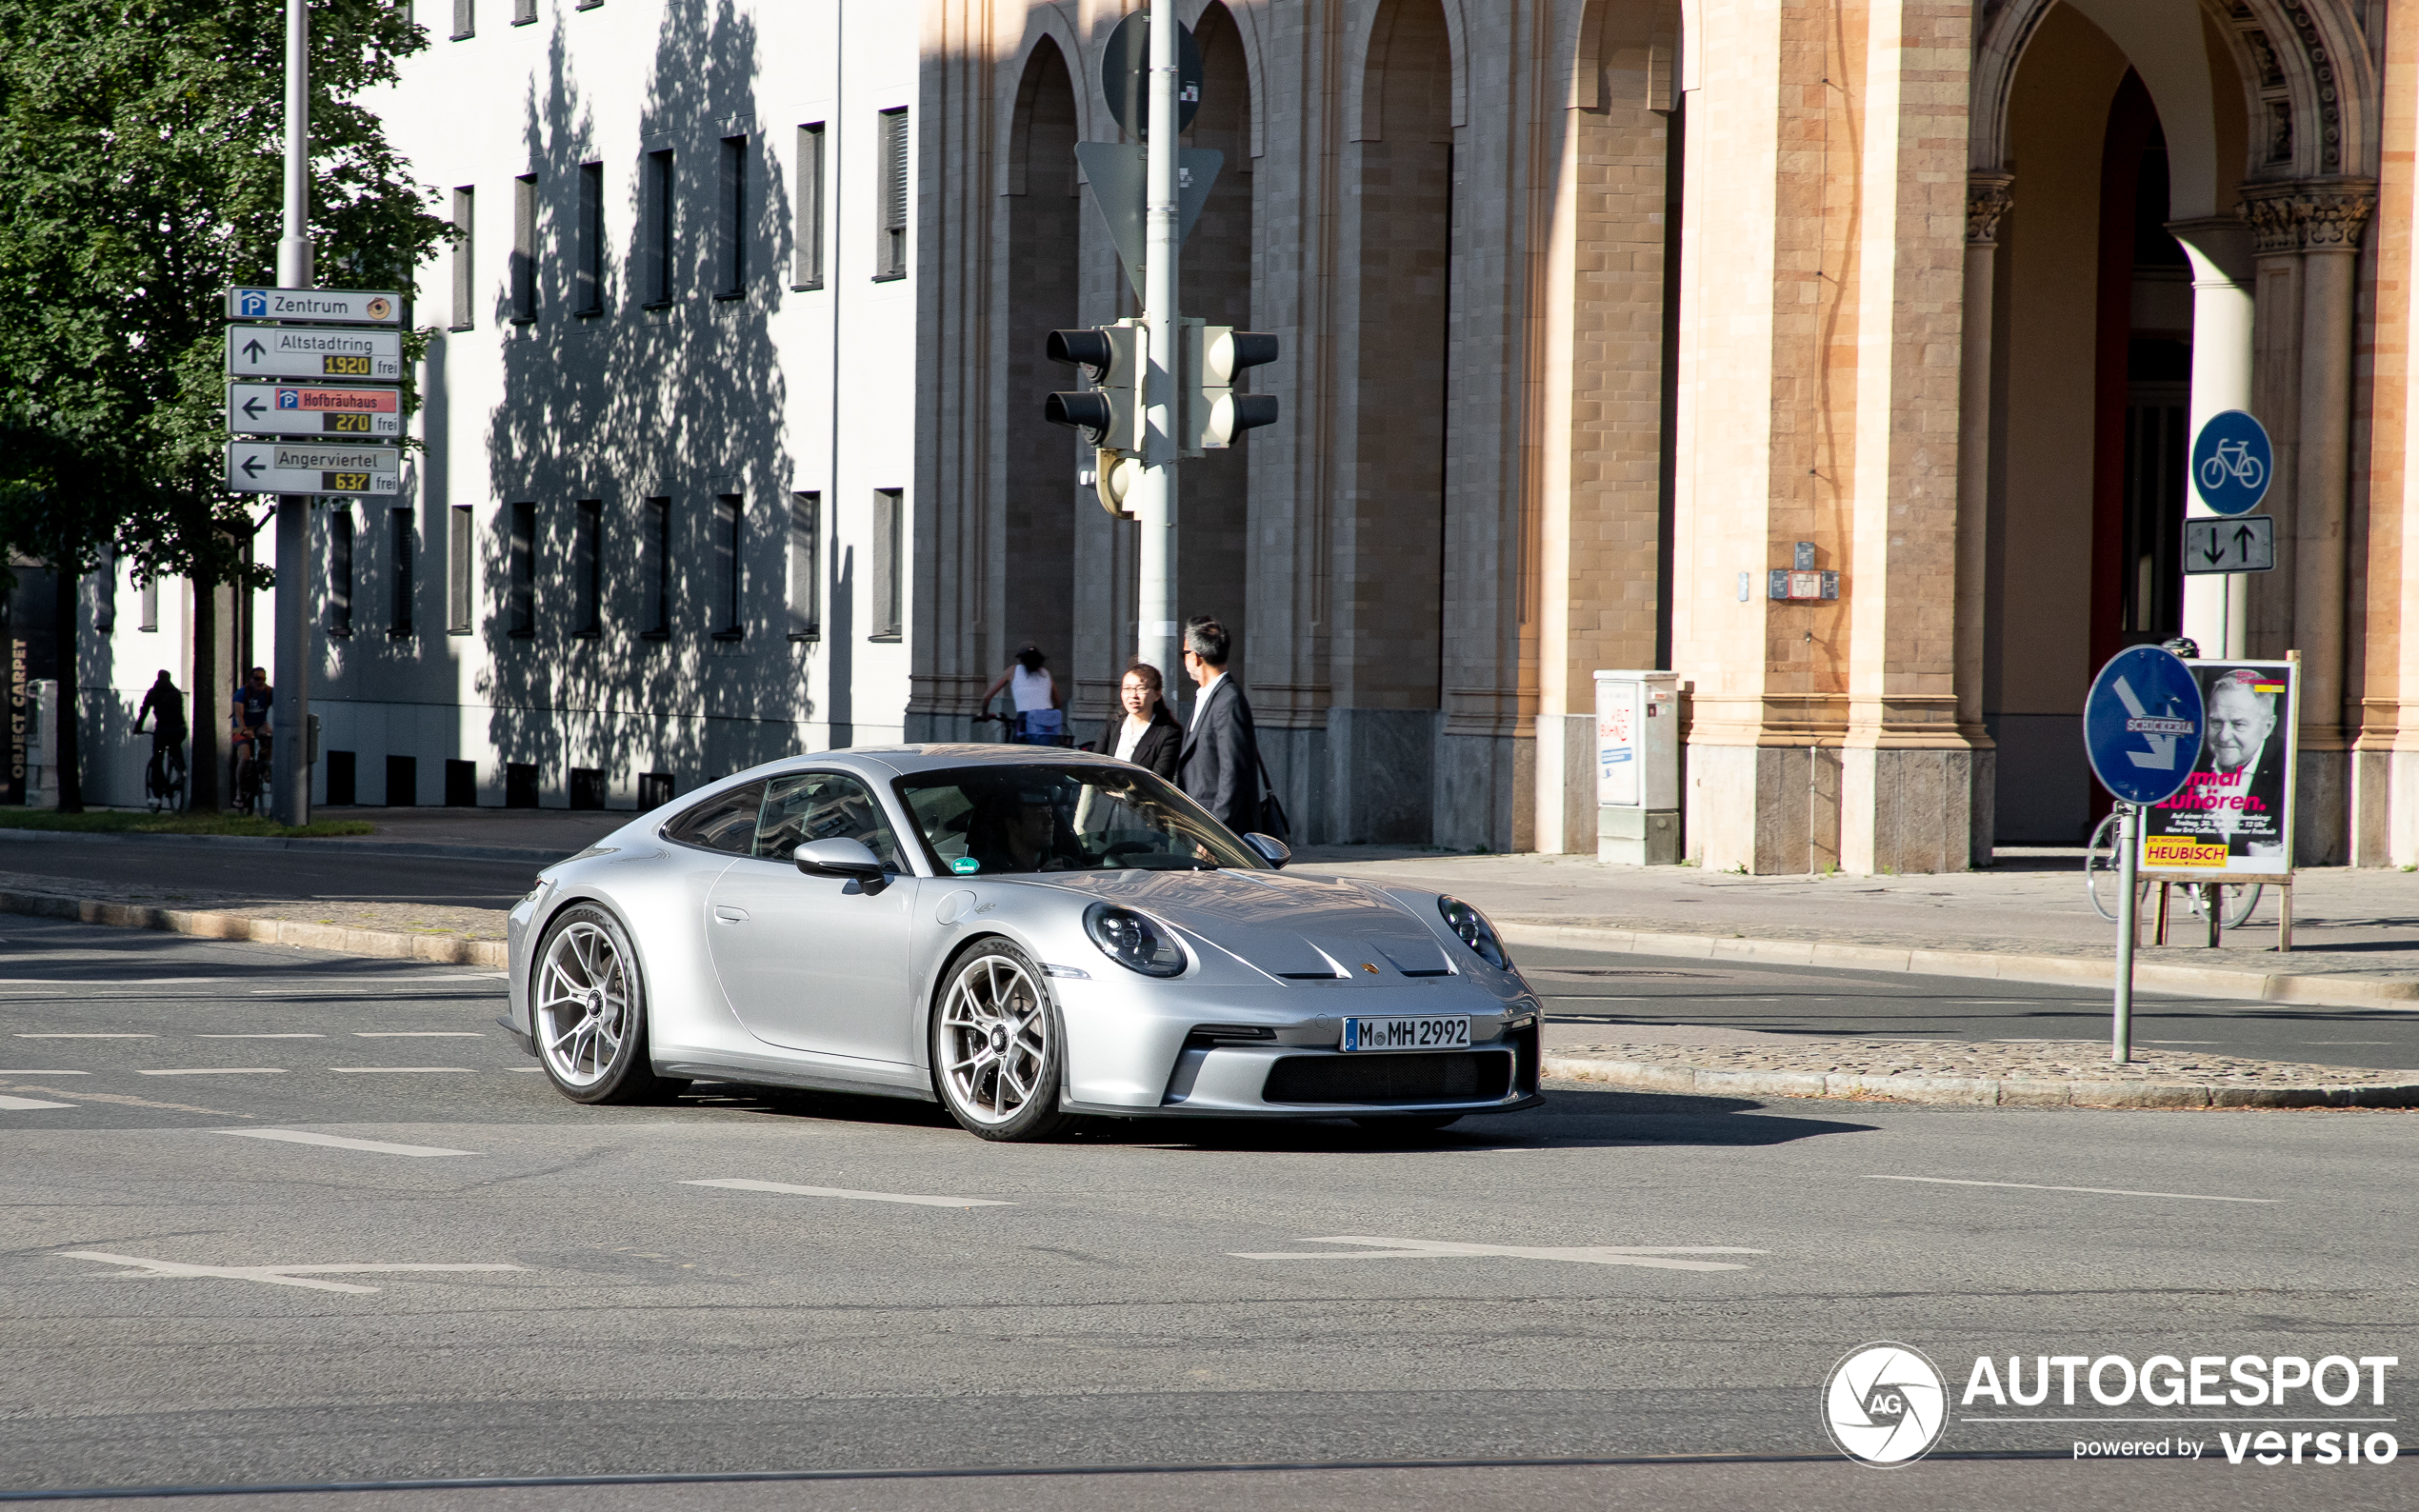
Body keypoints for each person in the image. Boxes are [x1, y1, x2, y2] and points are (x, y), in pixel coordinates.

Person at [1177, 616, 1263, 835]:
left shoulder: (1228, 700)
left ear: (1196, 657)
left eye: (1184, 653)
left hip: (1218, 831)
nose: (1184, 659)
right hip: (1199, 822)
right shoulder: (1207, 695)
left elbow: (1232, 773)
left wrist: (1217, 830)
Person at [1099, 662, 1181, 781]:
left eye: (1141, 689)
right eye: (1127, 689)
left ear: (1157, 694)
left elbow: (1159, 779)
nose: (1133, 695)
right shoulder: (1113, 726)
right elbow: (1096, 765)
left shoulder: (1169, 734)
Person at [979, 643, 1067, 745]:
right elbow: (1057, 701)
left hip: (1025, 723)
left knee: (1020, 754)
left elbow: (986, 697)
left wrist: (984, 715)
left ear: (1021, 660)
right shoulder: (1045, 673)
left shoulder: (1012, 671)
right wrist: (1047, 716)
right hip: (1048, 727)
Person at [134, 670, 188, 800]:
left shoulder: (153, 693)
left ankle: (158, 791)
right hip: (179, 729)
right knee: (175, 748)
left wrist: (138, 728)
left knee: (158, 758)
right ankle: (182, 770)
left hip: (163, 730)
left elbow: (144, 711)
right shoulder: (176, 693)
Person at [230, 665, 273, 789]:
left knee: (268, 738)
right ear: (250, 680)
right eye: (257, 679)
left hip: (258, 725)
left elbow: (281, 709)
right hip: (241, 726)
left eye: (263, 679)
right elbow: (239, 714)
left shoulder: (269, 692)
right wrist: (244, 730)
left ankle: (265, 768)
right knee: (245, 757)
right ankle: (239, 790)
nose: (260, 682)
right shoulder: (242, 693)